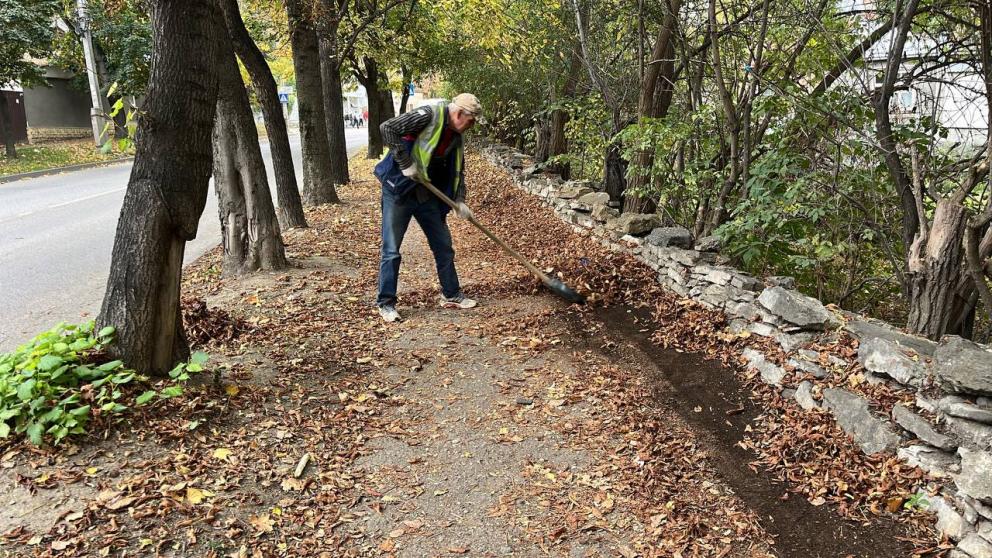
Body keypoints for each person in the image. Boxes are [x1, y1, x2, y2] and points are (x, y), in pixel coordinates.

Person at [373, 93, 482, 323]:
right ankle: (386, 303)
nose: (471, 126)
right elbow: (387, 128)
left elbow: (458, 171)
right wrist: (405, 163)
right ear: (460, 113)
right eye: (471, 121)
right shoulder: (428, 115)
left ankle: (451, 294)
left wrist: (460, 200)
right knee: (391, 250)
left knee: (443, 245)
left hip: (426, 194)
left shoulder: (456, 137)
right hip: (398, 190)